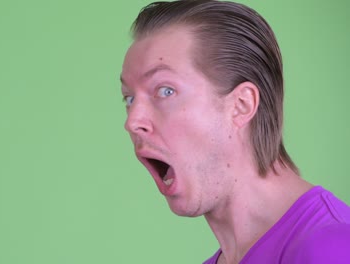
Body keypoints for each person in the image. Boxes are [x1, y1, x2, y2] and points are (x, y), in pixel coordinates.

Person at [119, 0, 350, 263]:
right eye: (129, 98)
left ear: (241, 105)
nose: (132, 121)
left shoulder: (333, 248)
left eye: (165, 91)